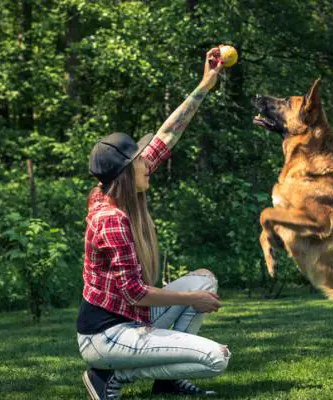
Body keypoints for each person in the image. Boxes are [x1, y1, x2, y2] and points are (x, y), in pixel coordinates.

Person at [77, 48, 230, 400]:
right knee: (215, 357)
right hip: (106, 335)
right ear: (126, 173)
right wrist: (192, 299)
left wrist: (204, 85)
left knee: (204, 279)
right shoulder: (111, 218)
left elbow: (167, 134)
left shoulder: (117, 189)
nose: (147, 163)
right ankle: (107, 378)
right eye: (139, 161)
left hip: (128, 318)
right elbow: (135, 293)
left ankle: (168, 382)